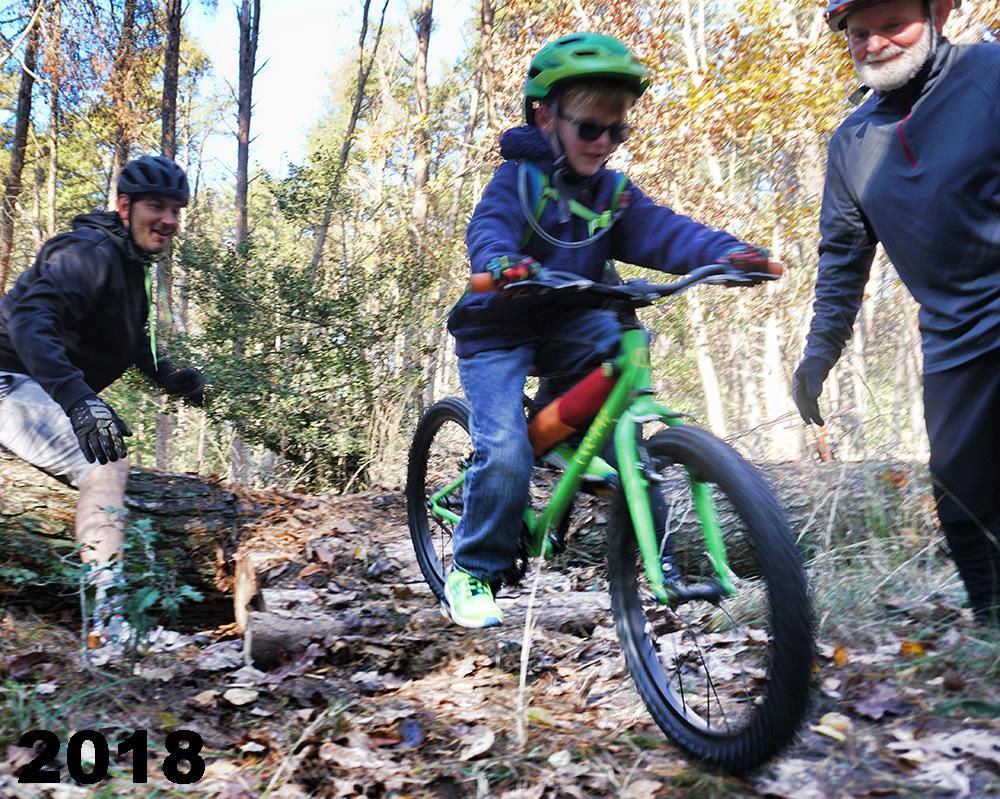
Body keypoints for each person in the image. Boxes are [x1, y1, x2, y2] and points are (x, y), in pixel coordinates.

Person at [444, 32, 779, 628]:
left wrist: (730, 254)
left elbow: (668, 233)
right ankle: (473, 568)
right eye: (590, 129)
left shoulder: (612, 195)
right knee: (505, 450)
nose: (604, 143)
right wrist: (501, 263)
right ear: (545, 116)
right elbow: (490, 230)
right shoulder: (518, 182)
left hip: (572, 321)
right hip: (498, 331)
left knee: (618, 352)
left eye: (616, 131)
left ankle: (628, 525)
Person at [793, 0, 1000, 626]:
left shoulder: (989, 75)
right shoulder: (852, 142)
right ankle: (992, 630)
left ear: (935, 15)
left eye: (893, 25)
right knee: (961, 496)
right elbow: (842, 261)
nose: (876, 43)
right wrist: (817, 357)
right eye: (860, 33)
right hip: (952, 339)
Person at [0, 155, 206, 645]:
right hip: (6, 379)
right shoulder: (88, 250)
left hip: (26, 387)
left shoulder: (129, 266)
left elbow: (130, 342)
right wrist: (78, 400)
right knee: (106, 459)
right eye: (156, 206)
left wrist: (168, 377)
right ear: (123, 206)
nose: (169, 220)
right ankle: (110, 628)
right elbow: (30, 319)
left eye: (176, 209)